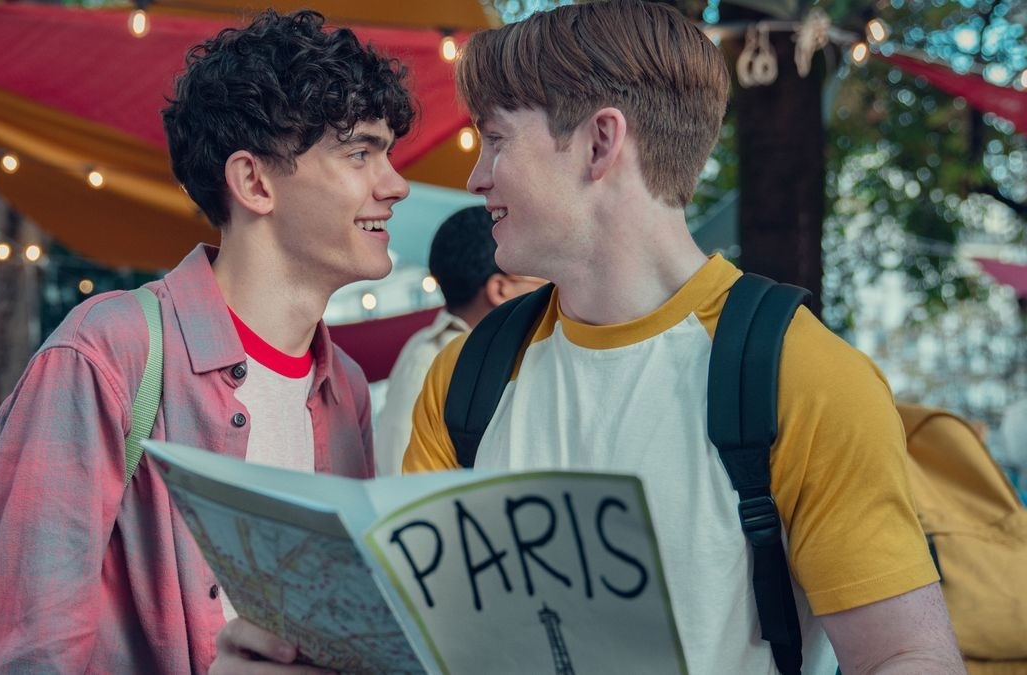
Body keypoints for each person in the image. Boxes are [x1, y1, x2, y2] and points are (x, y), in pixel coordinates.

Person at [212, 1, 965, 673]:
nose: (477, 179)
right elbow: (419, 646)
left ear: (601, 143)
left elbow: (906, 653)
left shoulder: (798, 375)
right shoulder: (467, 375)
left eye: (496, 139)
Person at [0, 9, 414, 673]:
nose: (395, 184)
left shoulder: (341, 387)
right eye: (360, 152)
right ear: (254, 182)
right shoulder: (106, 354)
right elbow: (19, 658)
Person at [372, 205, 544, 475]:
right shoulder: (431, 359)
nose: (548, 295)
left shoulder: (502, 357)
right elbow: (399, 475)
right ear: (499, 289)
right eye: (538, 284)